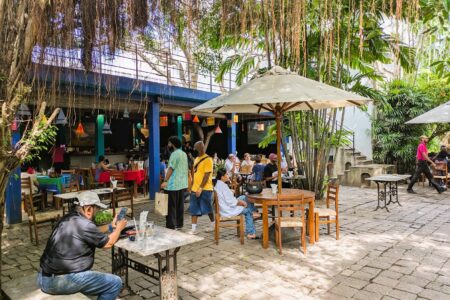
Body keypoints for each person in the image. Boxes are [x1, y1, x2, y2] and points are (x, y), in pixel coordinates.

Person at [37, 191, 127, 299]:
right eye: (96, 210)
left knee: (91, 275)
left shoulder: (67, 218)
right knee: (115, 282)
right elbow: (108, 243)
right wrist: (119, 229)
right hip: (58, 282)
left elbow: (92, 232)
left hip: (43, 277)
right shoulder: (85, 224)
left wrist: (110, 227)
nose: (97, 213)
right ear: (88, 209)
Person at [214, 168, 260, 239]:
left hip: (225, 206)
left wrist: (230, 192)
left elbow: (227, 196)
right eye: (226, 174)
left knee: (244, 197)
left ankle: (253, 211)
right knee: (247, 211)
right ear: (222, 177)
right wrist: (240, 202)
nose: (228, 175)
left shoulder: (219, 184)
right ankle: (250, 233)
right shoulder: (223, 186)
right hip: (228, 209)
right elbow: (230, 201)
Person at [161, 136, 189, 230]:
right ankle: (179, 224)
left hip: (172, 185)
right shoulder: (184, 154)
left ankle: (171, 225)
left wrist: (165, 181)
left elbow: (171, 169)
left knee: (171, 206)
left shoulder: (174, 154)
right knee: (180, 205)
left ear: (172, 144)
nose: (168, 144)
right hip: (182, 184)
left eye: (169, 143)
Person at [189, 141, 215, 234]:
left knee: (208, 208)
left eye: (197, 147)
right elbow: (194, 173)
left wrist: (200, 188)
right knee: (193, 209)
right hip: (194, 188)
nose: (195, 149)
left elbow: (207, 175)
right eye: (195, 148)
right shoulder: (196, 159)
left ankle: (213, 223)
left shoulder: (208, 159)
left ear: (202, 147)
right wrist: (192, 186)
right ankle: (193, 229)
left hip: (205, 188)